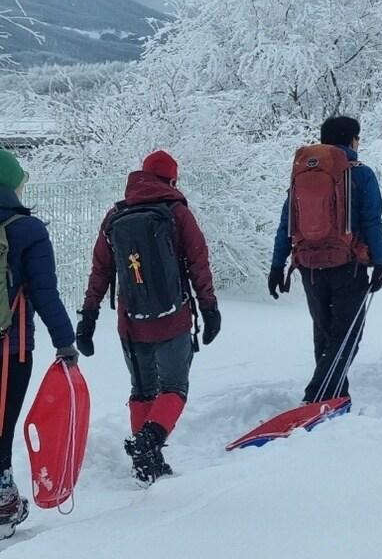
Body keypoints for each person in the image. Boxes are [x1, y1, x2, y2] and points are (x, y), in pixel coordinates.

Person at [75, 151, 219, 484]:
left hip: (131, 320)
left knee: (142, 391)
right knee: (174, 388)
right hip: (173, 317)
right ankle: (148, 443)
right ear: (171, 180)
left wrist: (89, 317)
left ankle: (146, 462)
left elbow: (100, 271)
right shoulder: (177, 213)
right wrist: (209, 308)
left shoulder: (115, 216)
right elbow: (199, 262)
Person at [268, 115, 382, 405]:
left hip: (310, 266)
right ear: (352, 140)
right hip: (348, 265)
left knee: (324, 334)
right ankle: (316, 397)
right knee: (347, 335)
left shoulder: (303, 173)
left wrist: (277, 265)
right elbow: (372, 220)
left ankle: (336, 395)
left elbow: (287, 221)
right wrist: (380, 261)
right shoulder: (361, 173)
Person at [0, 149, 77, 536]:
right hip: (11, 351)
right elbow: (45, 293)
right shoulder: (27, 230)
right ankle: (2, 504)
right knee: (1, 426)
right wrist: (66, 342)